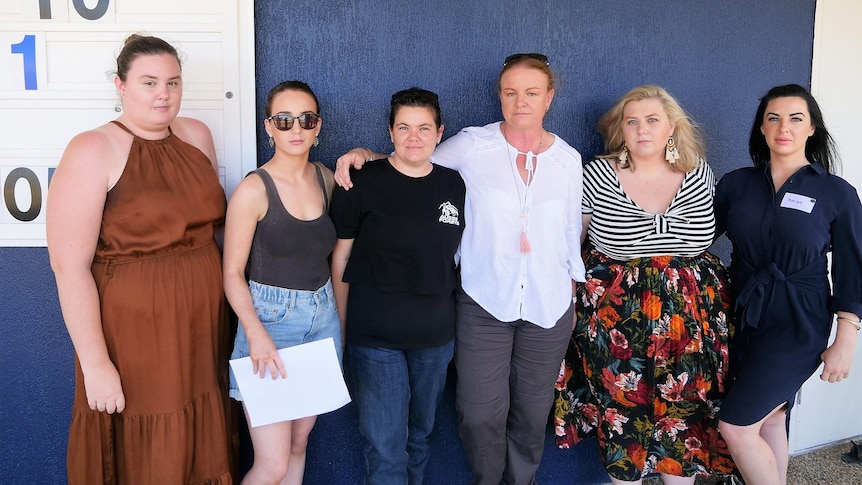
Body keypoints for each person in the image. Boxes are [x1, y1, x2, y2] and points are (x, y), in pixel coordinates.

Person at [336, 54, 585, 485]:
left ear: (549, 98)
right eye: (510, 92)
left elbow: (570, 231)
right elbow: (415, 161)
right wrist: (363, 155)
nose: (520, 101)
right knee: (479, 413)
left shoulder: (567, 159)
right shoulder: (474, 145)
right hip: (484, 298)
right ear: (500, 96)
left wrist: (573, 291)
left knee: (530, 414)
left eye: (530, 93)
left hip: (548, 305)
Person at [46, 34, 232, 484]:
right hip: (135, 338)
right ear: (120, 85)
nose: (163, 93)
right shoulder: (92, 149)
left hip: (203, 328)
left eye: (172, 81)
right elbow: (68, 268)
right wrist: (95, 364)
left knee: (200, 432)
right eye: (148, 82)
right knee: (149, 443)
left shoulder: (197, 135)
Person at [554, 85, 735, 484]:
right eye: (631, 121)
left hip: (690, 323)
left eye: (652, 120)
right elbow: (570, 243)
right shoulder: (598, 173)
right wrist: (565, 304)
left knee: (683, 423)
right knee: (624, 422)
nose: (642, 130)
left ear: (671, 126)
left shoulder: (698, 171)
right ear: (620, 129)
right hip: (617, 321)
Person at [714, 83, 862, 485]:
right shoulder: (735, 185)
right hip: (743, 312)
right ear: (761, 128)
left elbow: (853, 269)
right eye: (773, 118)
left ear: (812, 127)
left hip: (800, 321)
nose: (784, 127)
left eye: (796, 118)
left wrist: (845, 341)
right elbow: (694, 236)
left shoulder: (836, 193)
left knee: (736, 426)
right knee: (770, 420)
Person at [330, 87, 465, 485]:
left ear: (440, 133)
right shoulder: (360, 182)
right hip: (375, 336)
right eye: (403, 127)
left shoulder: (453, 184)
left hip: (436, 336)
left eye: (424, 128)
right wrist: (340, 328)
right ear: (389, 132)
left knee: (420, 437)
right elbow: (340, 258)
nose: (413, 137)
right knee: (386, 446)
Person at [223, 80, 341, 485]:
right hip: (270, 323)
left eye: (305, 120)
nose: (296, 129)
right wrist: (255, 333)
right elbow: (232, 274)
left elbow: (398, 162)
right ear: (268, 126)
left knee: (298, 443)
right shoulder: (254, 190)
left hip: (322, 319)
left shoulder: (325, 179)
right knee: (271, 464)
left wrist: (363, 154)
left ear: (317, 127)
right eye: (284, 120)